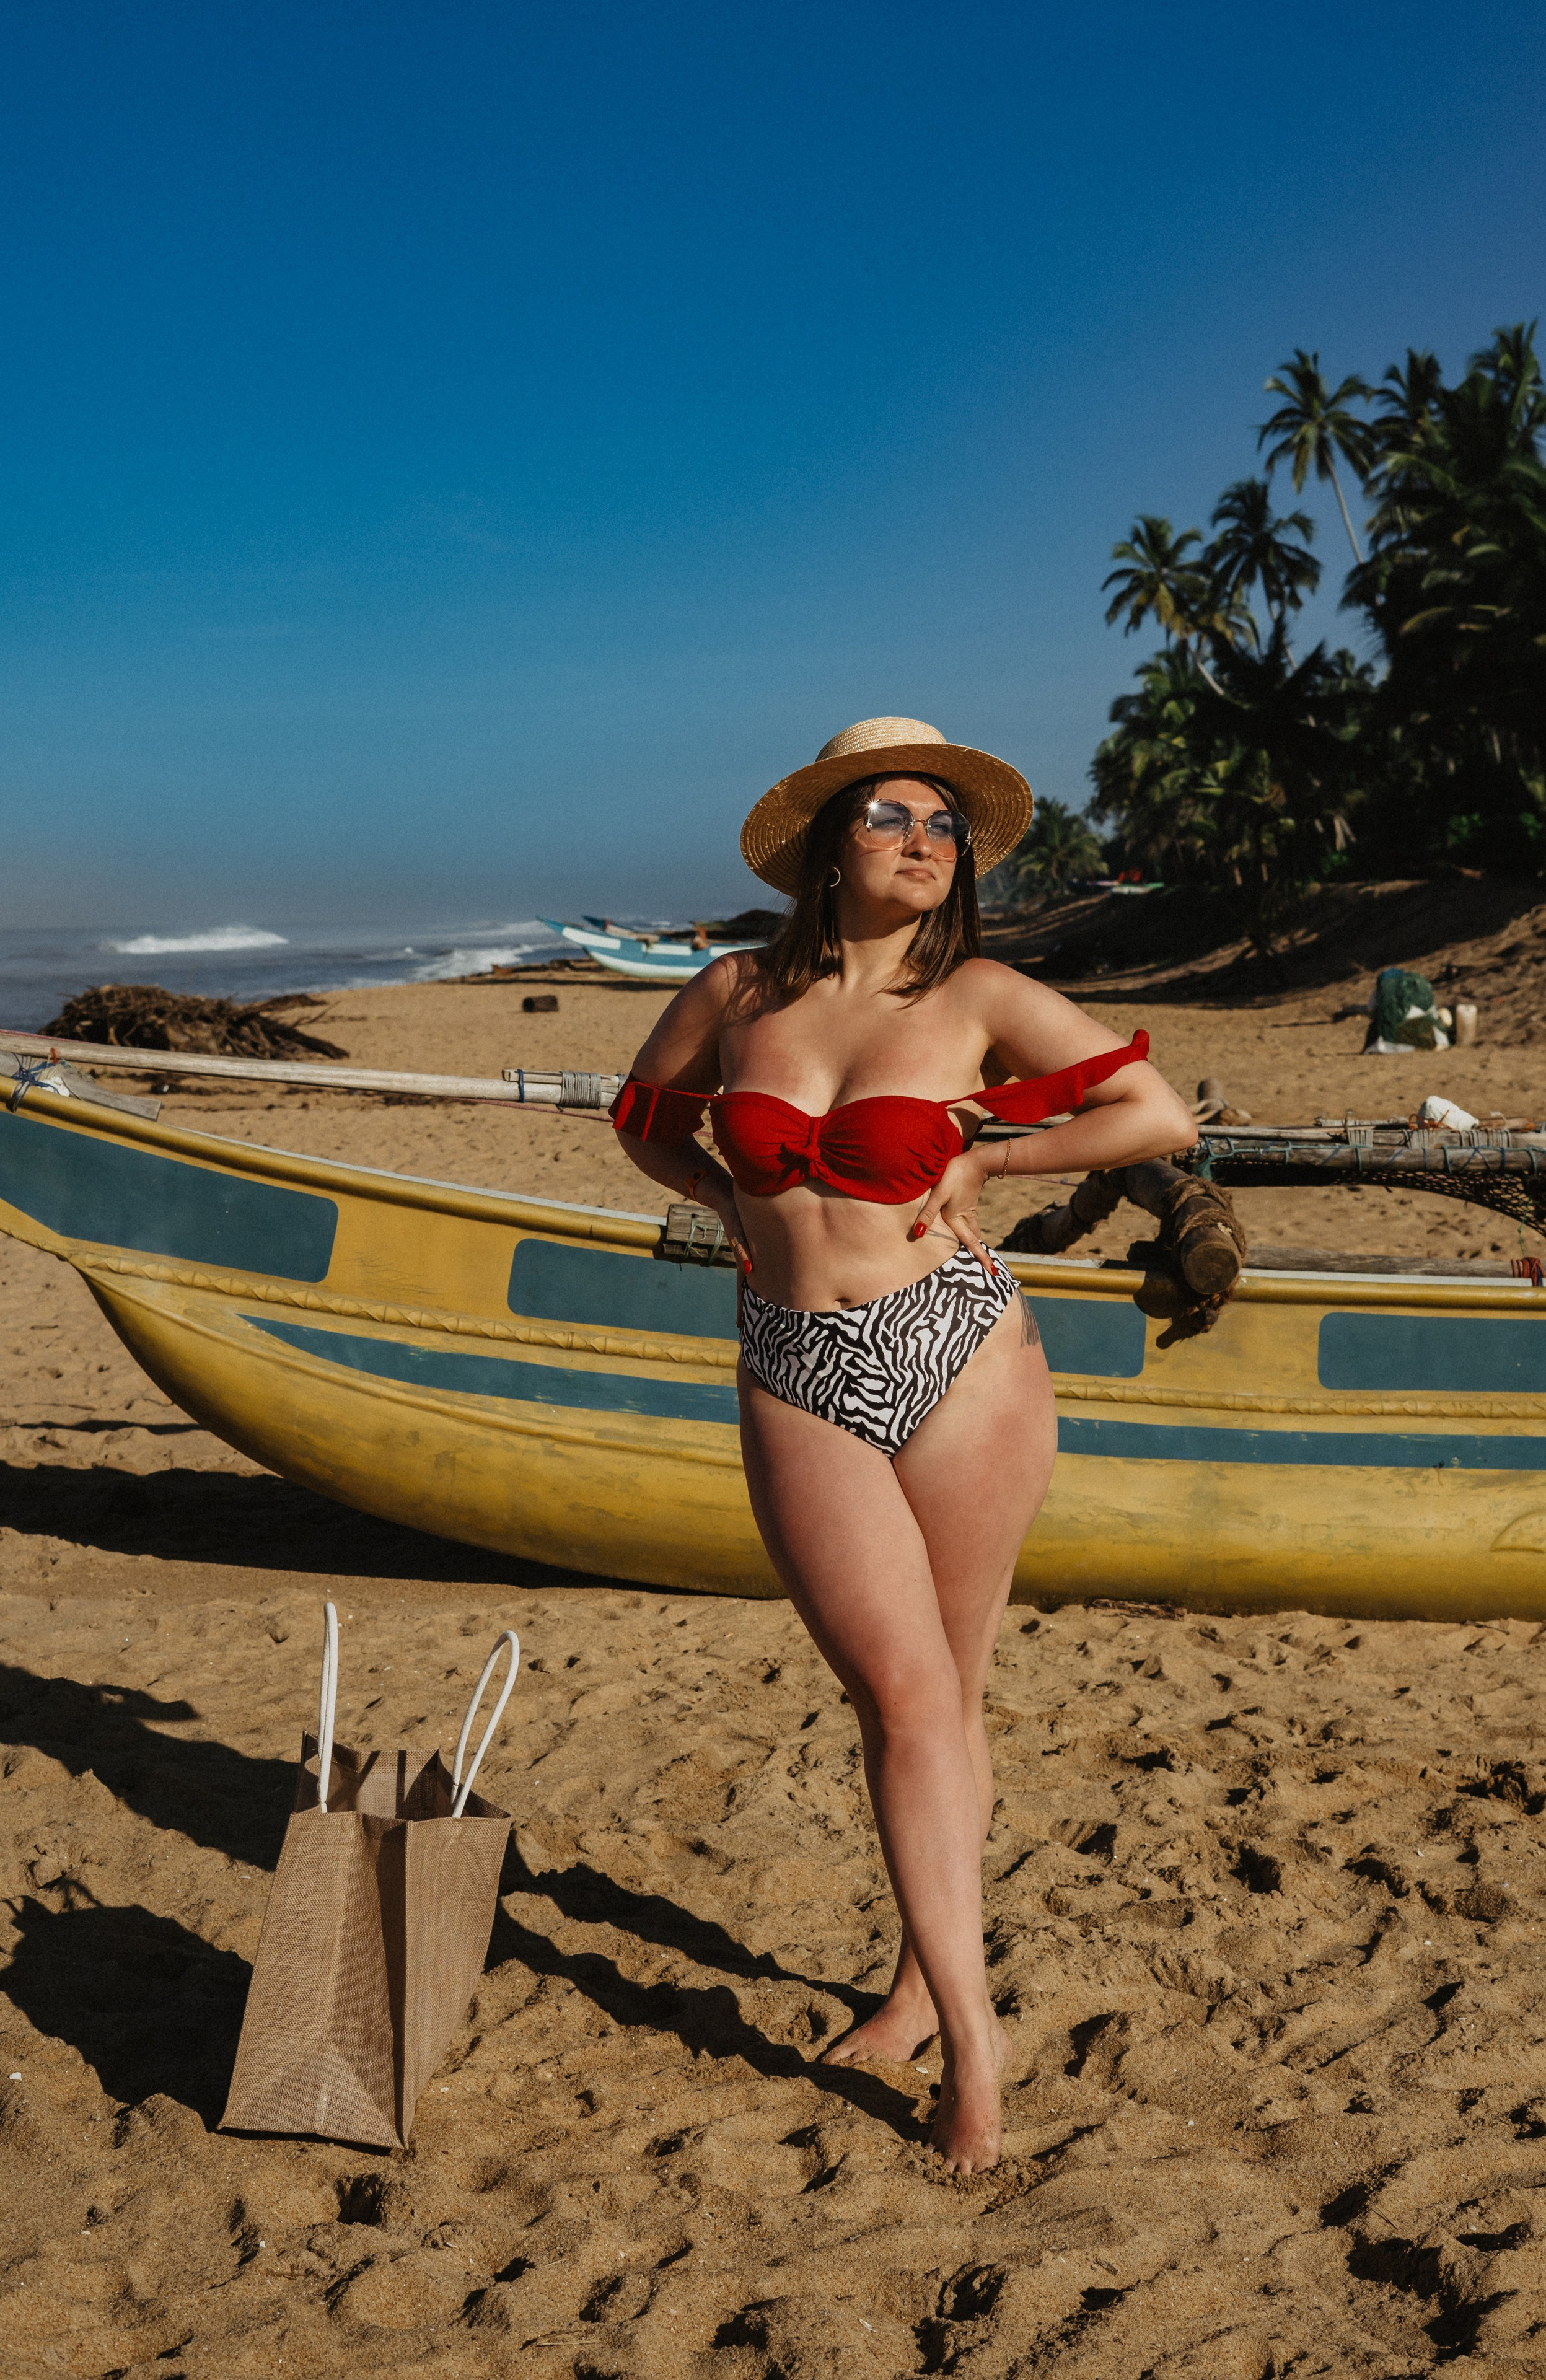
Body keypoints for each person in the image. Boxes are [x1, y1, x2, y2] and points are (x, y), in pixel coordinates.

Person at [611, 717, 1197, 2172]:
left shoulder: (980, 991)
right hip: (793, 1361)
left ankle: (945, 2024)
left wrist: (992, 1153)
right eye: (890, 816)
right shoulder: (737, 989)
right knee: (897, 1693)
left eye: (944, 823)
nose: (925, 841)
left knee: (946, 1695)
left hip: (958, 1349)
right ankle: (950, 2009)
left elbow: (1150, 1109)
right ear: (828, 843)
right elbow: (637, 1116)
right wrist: (727, 1207)